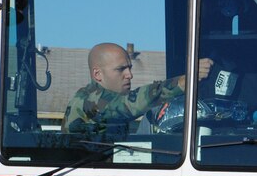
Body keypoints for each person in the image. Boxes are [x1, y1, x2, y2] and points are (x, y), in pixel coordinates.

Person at [62, 42, 213, 133]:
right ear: (97, 74)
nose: (129, 75)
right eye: (121, 69)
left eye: (129, 68)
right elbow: (131, 104)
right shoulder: (89, 100)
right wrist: (183, 81)